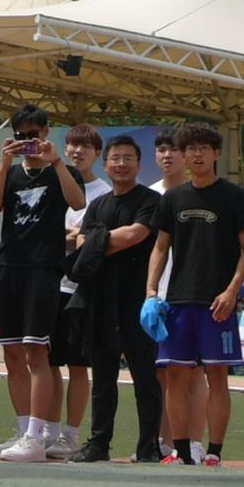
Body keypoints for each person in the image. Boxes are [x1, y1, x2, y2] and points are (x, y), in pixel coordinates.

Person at [142, 120, 244, 465]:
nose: (197, 154)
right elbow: (160, 247)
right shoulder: (173, 198)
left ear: (217, 153)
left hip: (217, 302)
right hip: (177, 300)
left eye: (203, 148)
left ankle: (214, 452)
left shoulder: (234, 196)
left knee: (216, 375)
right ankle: (179, 449)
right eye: (190, 149)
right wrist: (150, 292)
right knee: (175, 376)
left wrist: (232, 291)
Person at [0, 105, 82, 460]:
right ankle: (24, 430)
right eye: (22, 136)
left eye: (34, 134)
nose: (29, 141)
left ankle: (38, 437)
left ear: (46, 132)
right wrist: (2, 165)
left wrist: (55, 162)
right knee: (11, 353)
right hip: (9, 266)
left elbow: (77, 201)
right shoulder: (10, 174)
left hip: (44, 269)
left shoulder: (62, 171)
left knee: (37, 351)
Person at [73, 133, 165, 463]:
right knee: (103, 379)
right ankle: (99, 443)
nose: (121, 164)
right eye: (115, 158)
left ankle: (148, 446)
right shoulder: (98, 204)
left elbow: (135, 235)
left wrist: (95, 239)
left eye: (128, 158)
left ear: (139, 164)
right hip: (100, 301)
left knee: (145, 378)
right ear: (106, 164)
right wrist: (97, 240)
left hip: (137, 302)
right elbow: (82, 243)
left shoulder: (149, 200)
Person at [47, 122, 106, 452]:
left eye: (86, 146)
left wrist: (67, 237)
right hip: (50, 284)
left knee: (79, 366)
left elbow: (91, 240)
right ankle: (49, 432)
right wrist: (71, 236)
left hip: (80, 290)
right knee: (49, 361)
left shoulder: (104, 193)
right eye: (73, 145)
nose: (78, 151)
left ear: (97, 154)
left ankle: (71, 435)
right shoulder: (54, 182)